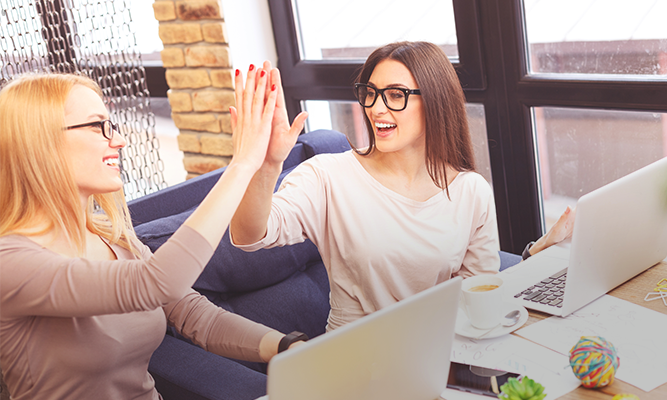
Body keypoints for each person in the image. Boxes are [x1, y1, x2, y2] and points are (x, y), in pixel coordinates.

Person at [0, 69, 304, 400]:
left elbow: (194, 314)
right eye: (97, 126)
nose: (119, 140)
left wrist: (286, 346)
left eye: (111, 126)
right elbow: (154, 284)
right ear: (39, 142)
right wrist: (242, 165)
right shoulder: (11, 262)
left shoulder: (114, 238)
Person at [229, 41, 575, 331]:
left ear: (436, 101)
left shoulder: (471, 191)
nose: (377, 108)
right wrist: (266, 166)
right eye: (371, 93)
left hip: (441, 351)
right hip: (356, 359)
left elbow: (479, 298)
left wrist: (533, 261)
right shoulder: (327, 176)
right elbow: (248, 236)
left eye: (396, 94)